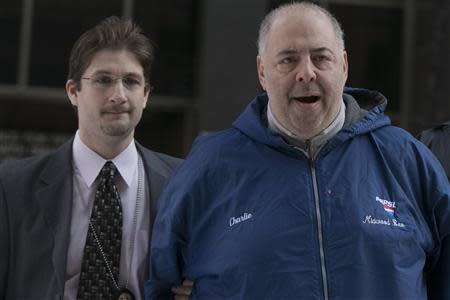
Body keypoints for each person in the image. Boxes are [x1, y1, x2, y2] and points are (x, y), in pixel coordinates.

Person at [145, 2, 450, 299]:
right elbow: (160, 283)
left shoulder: (406, 159)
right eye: (288, 60)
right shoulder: (208, 167)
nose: (306, 73)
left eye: (321, 58)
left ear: (343, 66)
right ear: (262, 71)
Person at [0, 16, 192, 300]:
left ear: (146, 95)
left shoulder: (184, 182)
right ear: (73, 92)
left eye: (131, 81)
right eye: (103, 80)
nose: (119, 95)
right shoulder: (12, 186)